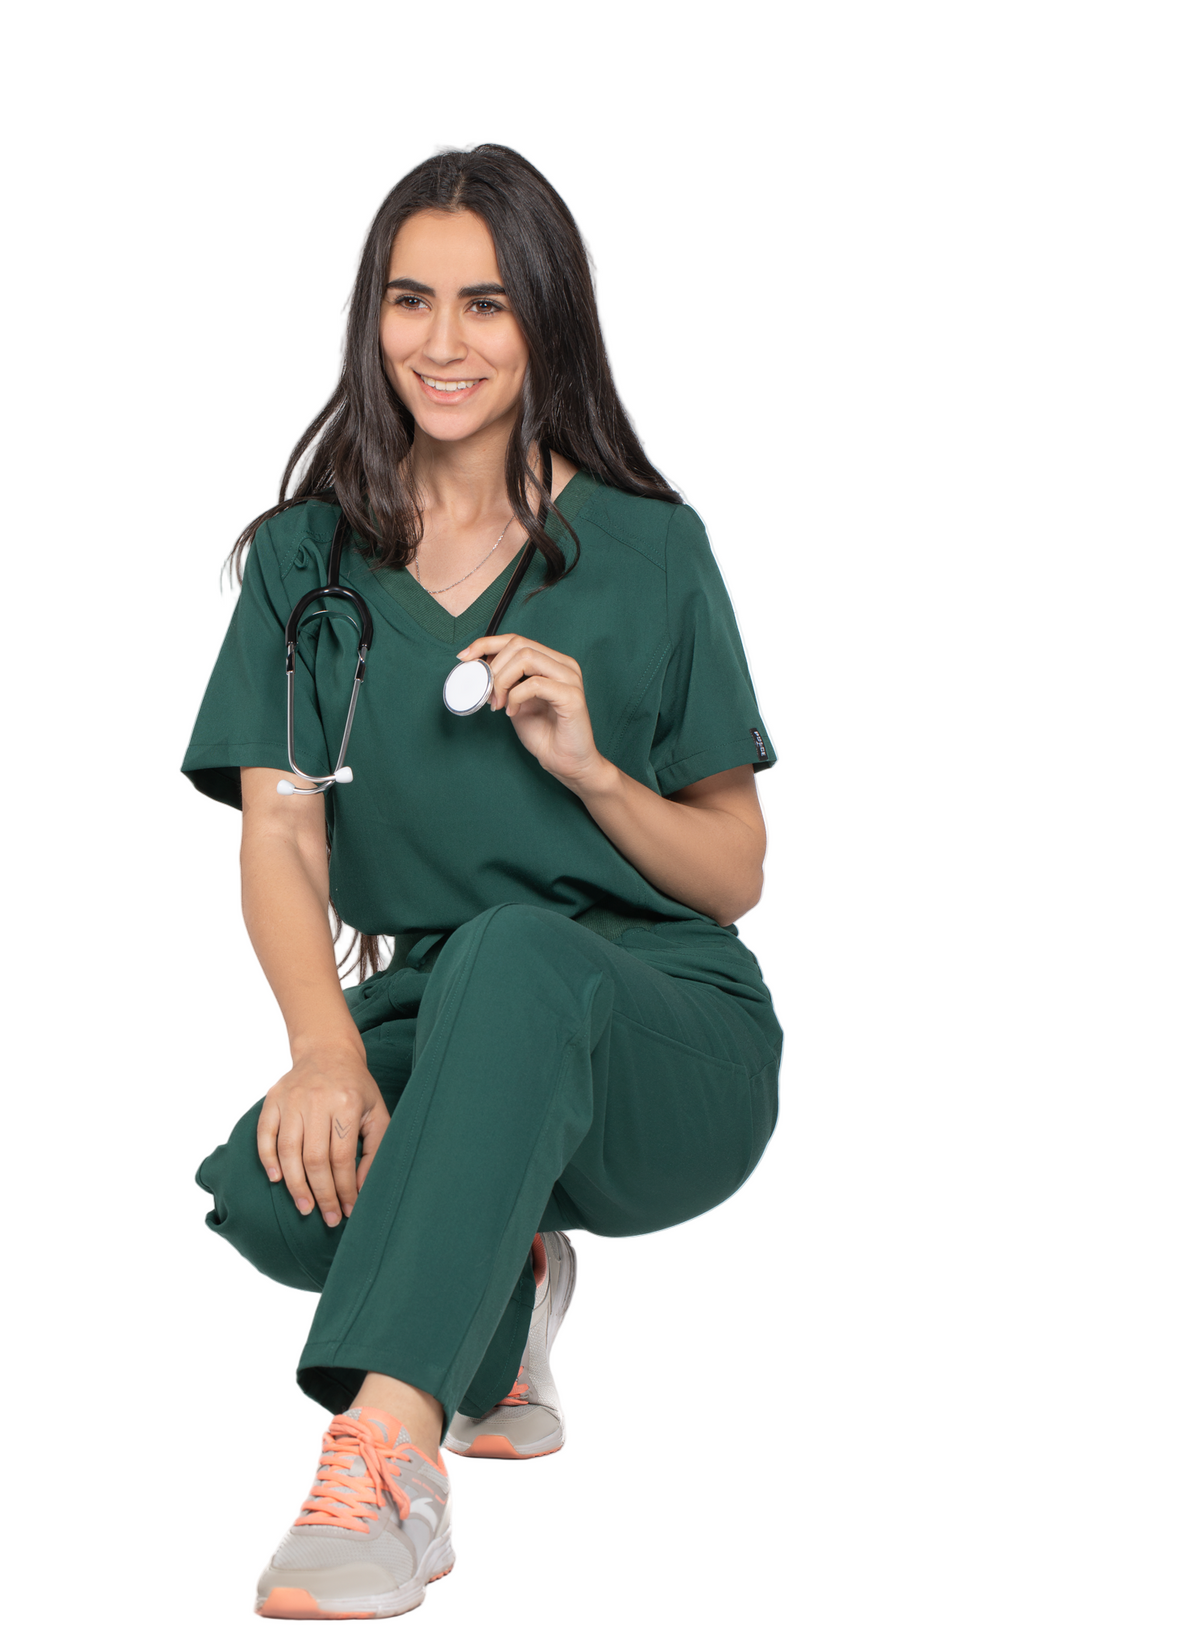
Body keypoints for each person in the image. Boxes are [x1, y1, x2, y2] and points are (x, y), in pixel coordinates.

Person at [183, 144, 781, 1621]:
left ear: (548, 324)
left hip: (664, 1030)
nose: (441, 344)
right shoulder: (304, 560)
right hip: (442, 1008)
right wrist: (326, 1050)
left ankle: (385, 1459)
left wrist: (592, 771)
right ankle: (501, 1302)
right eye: (409, 300)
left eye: (488, 306)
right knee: (270, 1200)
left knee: (519, 950)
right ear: (370, 316)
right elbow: (279, 833)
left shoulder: (650, 546)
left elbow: (737, 870)